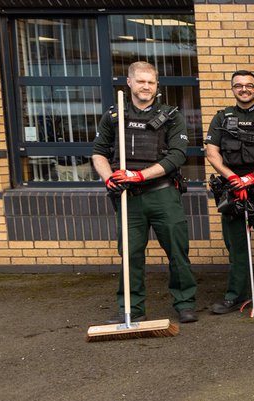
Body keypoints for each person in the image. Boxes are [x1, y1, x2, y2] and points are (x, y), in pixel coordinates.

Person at [92, 61, 198, 324]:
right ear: (129, 83)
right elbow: (98, 154)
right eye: (141, 81)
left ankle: (185, 303)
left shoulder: (172, 116)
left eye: (151, 82)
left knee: (177, 251)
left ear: (157, 85)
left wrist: (140, 175)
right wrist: (109, 179)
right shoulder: (113, 117)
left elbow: (177, 156)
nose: (146, 87)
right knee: (130, 254)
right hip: (128, 197)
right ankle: (131, 307)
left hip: (162, 194)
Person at [204, 70, 254, 314]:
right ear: (232, 89)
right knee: (236, 247)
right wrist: (234, 179)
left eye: (249, 85)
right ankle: (234, 295)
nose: (244, 89)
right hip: (234, 191)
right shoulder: (221, 118)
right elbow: (211, 152)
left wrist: (253, 177)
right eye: (239, 86)